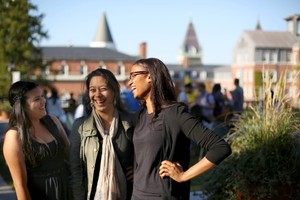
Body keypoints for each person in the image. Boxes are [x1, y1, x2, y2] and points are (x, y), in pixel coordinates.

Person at [128, 58, 232, 199]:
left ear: (150, 77)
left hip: (162, 196)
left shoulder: (174, 114)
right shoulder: (140, 116)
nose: (130, 82)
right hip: (137, 195)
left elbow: (220, 148)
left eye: (134, 75)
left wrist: (183, 176)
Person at [69, 68, 135, 200]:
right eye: (92, 90)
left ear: (114, 90)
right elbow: (76, 173)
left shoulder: (130, 122)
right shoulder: (80, 126)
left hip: (128, 194)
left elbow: (148, 155)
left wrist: (139, 169)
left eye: (103, 89)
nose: (97, 95)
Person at [2, 80, 71, 200]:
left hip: (67, 189)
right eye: (36, 99)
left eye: (43, 96)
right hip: (40, 194)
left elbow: (70, 155)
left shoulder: (53, 121)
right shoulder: (14, 137)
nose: (43, 101)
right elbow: (20, 185)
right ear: (22, 106)